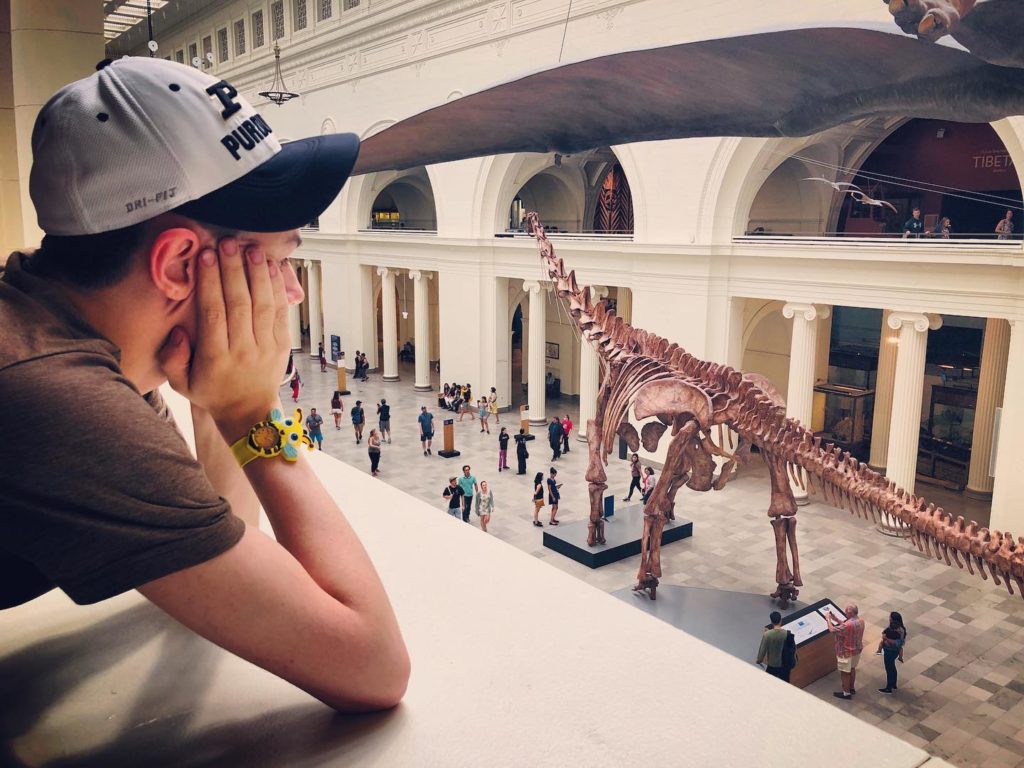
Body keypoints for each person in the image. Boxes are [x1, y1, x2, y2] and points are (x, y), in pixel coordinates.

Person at [0, 57, 408, 710]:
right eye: (280, 259)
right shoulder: (57, 397)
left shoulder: (62, 326)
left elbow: (226, 522)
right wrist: (251, 412)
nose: (293, 289)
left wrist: (221, 401)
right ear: (179, 263)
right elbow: (373, 667)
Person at [826, 603, 865, 700]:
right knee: (852, 669)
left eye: (846, 612)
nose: (845, 614)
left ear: (850, 613)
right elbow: (846, 625)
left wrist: (828, 619)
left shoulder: (847, 625)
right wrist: (836, 619)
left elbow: (832, 630)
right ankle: (851, 688)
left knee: (844, 673)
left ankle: (846, 693)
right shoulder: (861, 620)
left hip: (846, 652)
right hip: (857, 650)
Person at [876, 611, 907, 694]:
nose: (889, 618)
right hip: (891, 650)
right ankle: (893, 684)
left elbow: (897, 643)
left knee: (889, 668)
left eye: (890, 617)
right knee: (892, 667)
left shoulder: (899, 630)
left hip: (891, 651)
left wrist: (886, 639)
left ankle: (888, 688)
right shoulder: (895, 627)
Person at [756, 611, 792, 682]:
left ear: (772, 621)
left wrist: (759, 660)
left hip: (772, 664)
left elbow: (763, 649)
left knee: (768, 682)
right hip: (784, 665)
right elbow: (792, 649)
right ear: (780, 620)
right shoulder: (787, 634)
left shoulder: (767, 634)